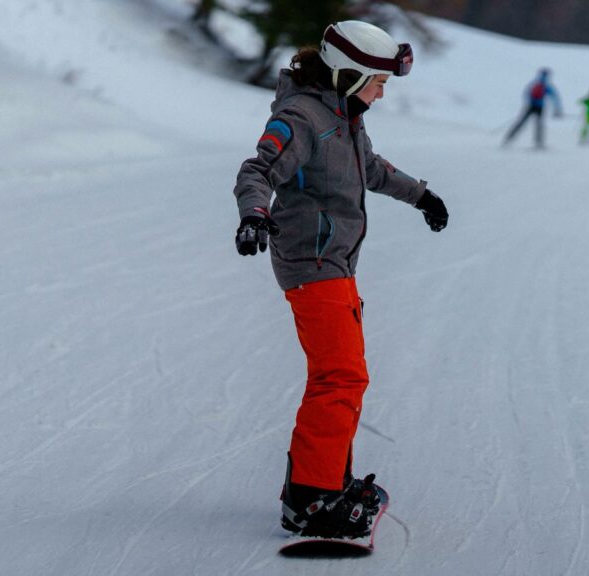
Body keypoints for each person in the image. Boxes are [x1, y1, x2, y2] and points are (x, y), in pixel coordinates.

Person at [232, 20, 449, 539]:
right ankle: (310, 500)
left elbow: (368, 167)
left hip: (337, 261)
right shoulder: (302, 117)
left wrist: (421, 195)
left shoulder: (345, 115)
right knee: (340, 378)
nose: (381, 94)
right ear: (349, 75)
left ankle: (326, 479)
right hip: (311, 262)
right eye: (378, 83)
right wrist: (254, 214)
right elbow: (256, 171)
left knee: (341, 375)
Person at [503, 67, 563, 149]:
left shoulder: (534, 83)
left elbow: (526, 93)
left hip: (530, 106)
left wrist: (528, 103)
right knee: (539, 125)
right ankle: (538, 142)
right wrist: (557, 109)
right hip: (540, 107)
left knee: (521, 122)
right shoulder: (546, 85)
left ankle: (509, 138)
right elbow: (555, 97)